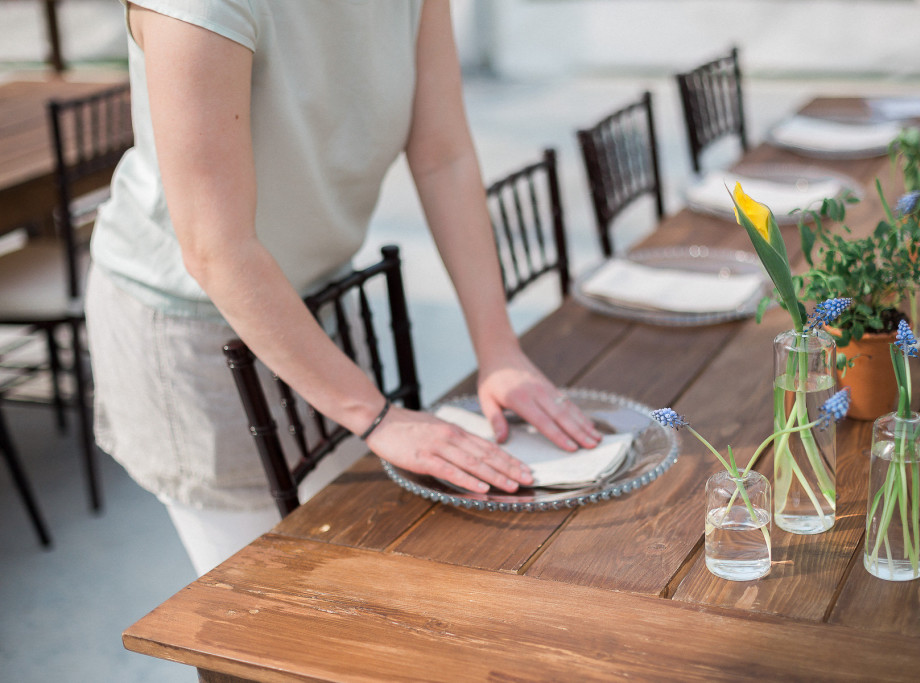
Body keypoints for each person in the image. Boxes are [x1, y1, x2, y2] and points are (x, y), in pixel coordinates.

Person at [86, 0, 601, 576]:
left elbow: (444, 158)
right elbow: (216, 248)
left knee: (365, 553)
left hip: (318, 294)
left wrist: (499, 350)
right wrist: (378, 417)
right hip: (196, 326)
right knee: (269, 599)